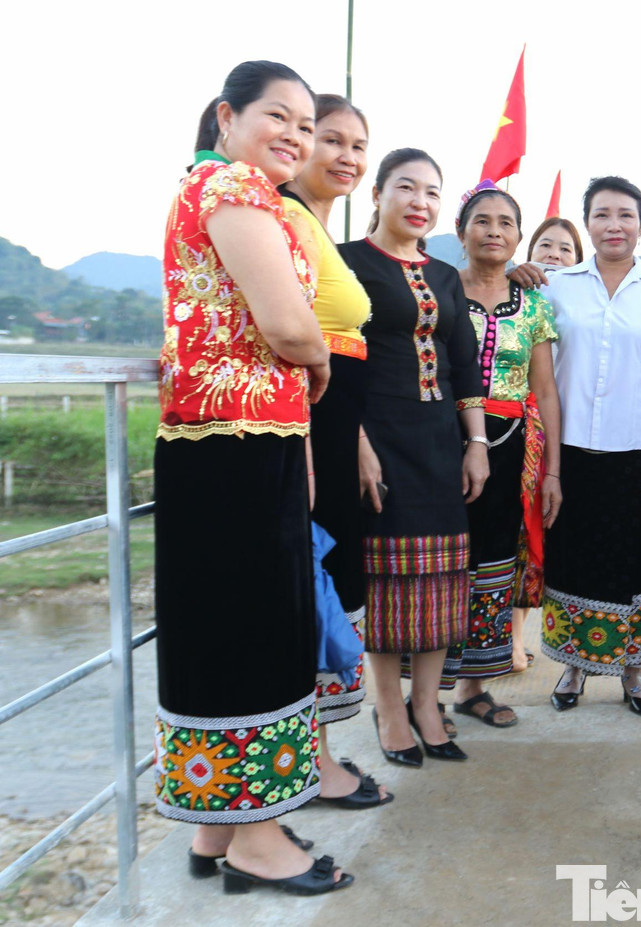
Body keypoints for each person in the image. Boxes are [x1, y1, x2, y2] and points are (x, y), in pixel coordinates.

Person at [156, 60, 350, 894]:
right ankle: (258, 842)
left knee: (220, 628)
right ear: (227, 116)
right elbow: (288, 326)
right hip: (235, 446)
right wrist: (317, 359)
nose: (296, 136)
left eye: (306, 125)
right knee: (255, 630)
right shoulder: (234, 187)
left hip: (226, 441)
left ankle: (218, 826)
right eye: (280, 116)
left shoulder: (212, 187)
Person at [340, 149, 487, 766]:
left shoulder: (446, 276)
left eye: (431, 191)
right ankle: (389, 708)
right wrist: (356, 444)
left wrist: (476, 444)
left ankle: (428, 705)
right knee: (386, 580)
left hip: (440, 443)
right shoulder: (346, 263)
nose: (419, 202)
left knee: (443, 579)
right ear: (377, 193)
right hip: (378, 439)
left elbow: (464, 367)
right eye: (406, 187)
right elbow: (336, 362)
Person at [540, 176, 641, 718]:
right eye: (602, 214)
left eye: (626, 215)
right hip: (574, 453)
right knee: (574, 561)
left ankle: (634, 673)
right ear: (587, 223)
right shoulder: (556, 288)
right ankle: (574, 666)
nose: (614, 225)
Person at [280, 94, 391, 810]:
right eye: (331, 139)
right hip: (304, 439)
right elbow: (289, 346)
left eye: (358, 144)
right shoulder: (287, 219)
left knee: (329, 584)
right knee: (311, 587)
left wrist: (356, 440)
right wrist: (313, 445)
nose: (347, 157)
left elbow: (335, 355)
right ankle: (309, 763)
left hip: (333, 434)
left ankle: (313, 756)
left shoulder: (313, 223)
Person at [436, 181, 562, 725]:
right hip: (440, 440)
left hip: (510, 446)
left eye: (505, 222)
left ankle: (473, 688)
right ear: (460, 231)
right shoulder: (437, 289)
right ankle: (425, 696)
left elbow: (546, 390)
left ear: (518, 237)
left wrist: (552, 470)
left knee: (493, 561)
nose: (493, 231)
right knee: (439, 561)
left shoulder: (532, 303)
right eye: (482, 221)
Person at [501, 216, 584, 674]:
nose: (554, 255)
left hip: (565, 430)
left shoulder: (584, 300)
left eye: (565, 249)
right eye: (545, 245)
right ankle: (491, 638)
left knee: (535, 536)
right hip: (510, 425)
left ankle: (515, 638)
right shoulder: (508, 292)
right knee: (509, 531)